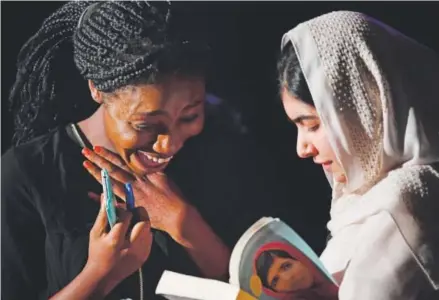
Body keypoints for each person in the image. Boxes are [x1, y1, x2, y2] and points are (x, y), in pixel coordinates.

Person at [2, 1, 285, 299]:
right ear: (97, 89)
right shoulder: (28, 175)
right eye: (145, 125)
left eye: (189, 116)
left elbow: (275, 289)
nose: (169, 144)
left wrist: (187, 226)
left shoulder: (220, 154)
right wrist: (99, 272)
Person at [277, 11, 439, 299]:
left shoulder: (401, 205)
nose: (302, 148)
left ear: (364, 107)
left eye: (313, 125)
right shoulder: (360, 197)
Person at [254, 242, 337, 299]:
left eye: (287, 266)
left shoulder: (340, 271)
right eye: (275, 281)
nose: (287, 278)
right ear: (274, 291)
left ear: (300, 259)